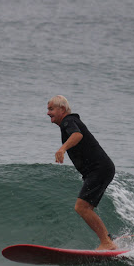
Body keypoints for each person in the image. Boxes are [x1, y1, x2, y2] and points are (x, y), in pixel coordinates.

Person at [47, 95, 117, 250]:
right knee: (86, 208)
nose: (48, 113)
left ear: (62, 109)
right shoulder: (71, 121)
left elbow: (77, 135)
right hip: (101, 169)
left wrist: (62, 149)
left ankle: (106, 243)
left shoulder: (68, 121)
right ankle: (108, 239)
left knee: (81, 207)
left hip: (98, 169)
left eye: (51, 109)